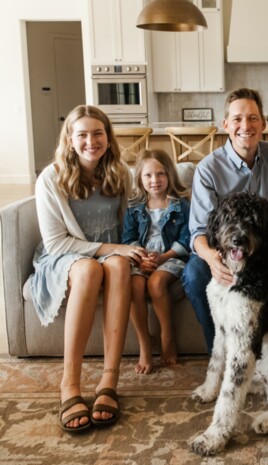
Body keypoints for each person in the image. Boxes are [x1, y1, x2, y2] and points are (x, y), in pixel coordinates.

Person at [30, 104, 148, 433]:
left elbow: (129, 226)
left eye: (98, 133)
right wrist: (116, 249)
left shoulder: (120, 173)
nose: (90, 141)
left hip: (112, 254)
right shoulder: (50, 179)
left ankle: (109, 381)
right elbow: (56, 244)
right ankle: (70, 384)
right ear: (69, 139)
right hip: (65, 257)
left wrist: (139, 251)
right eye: (82, 134)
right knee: (88, 271)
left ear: (108, 139)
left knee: (119, 268)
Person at [182, 88, 268, 353]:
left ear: (263, 123)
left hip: (266, 250)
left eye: (253, 118)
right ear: (226, 125)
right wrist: (211, 259)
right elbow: (198, 231)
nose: (246, 125)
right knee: (194, 274)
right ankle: (221, 354)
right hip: (223, 251)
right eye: (238, 119)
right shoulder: (209, 168)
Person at [122, 149, 191, 374]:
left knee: (155, 283)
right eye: (148, 175)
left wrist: (163, 257)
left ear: (170, 175)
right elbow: (128, 238)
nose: (155, 180)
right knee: (135, 284)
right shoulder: (133, 207)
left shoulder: (180, 205)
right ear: (140, 179)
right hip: (142, 260)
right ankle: (145, 344)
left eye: (160, 174)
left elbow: (186, 239)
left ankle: (167, 336)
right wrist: (141, 258)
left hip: (172, 257)